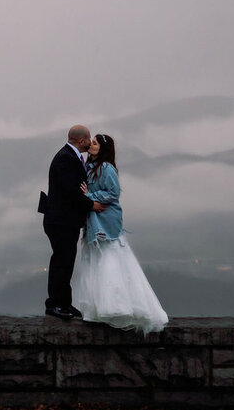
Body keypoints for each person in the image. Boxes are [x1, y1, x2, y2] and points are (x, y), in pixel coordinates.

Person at [72, 133, 168, 334]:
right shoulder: (90, 167)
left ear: (103, 148)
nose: (91, 144)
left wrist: (89, 196)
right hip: (93, 222)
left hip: (106, 222)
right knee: (96, 260)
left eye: (95, 142)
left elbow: (113, 193)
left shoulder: (106, 168)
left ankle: (115, 306)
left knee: (109, 259)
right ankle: (98, 308)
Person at [40, 124, 106, 321]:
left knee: (66, 261)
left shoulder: (71, 157)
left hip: (64, 220)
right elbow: (71, 191)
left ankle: (65, 303)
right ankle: (54, 304)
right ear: (81, 140)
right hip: (60, 221)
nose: (89, 143)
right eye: (88, 140)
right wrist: (91, 205)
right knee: (61, 261)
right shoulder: (65, 159)